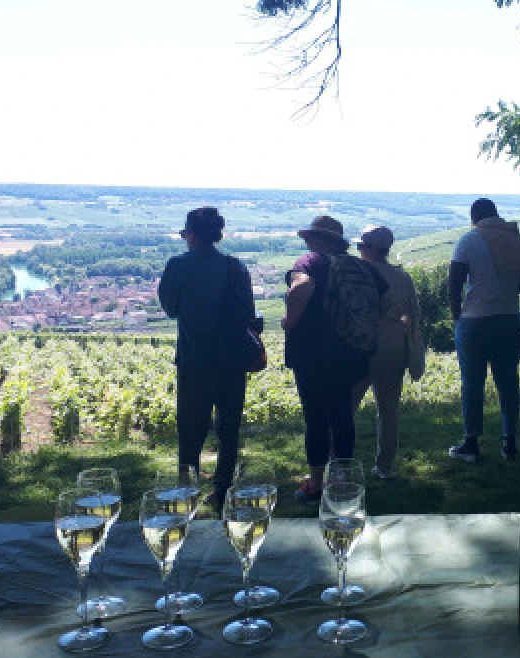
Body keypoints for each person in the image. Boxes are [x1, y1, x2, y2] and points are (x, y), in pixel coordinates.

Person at [158, 207, 259, 513]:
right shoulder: (236, 268)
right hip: (232, 360)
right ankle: (222, 490)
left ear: (193, 234)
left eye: (185, 233)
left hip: (195, 359)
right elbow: (249, 315)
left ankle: (187, 491)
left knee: (191, 429)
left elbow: (170, 308)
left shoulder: (178, 266)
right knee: (229, 428)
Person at [284, 216, 386, 502]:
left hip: (313, 354)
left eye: (310, 237)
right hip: (352, 353)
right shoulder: (361, 266)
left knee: (316, 418)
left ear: (318, 239)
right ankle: (342, 479)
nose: (306, 242)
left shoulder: (311, 261)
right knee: (342, 416)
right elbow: (383, 300)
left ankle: (316, 484)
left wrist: (290, 321)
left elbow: (301, 287)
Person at [447, 198, 520, 463]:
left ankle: (471, 443)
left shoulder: (468, 241)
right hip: (510, 318)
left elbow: (453, 286)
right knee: (508, 382)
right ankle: (509, 443)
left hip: (474, 320)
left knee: (473, 383)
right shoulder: (518, 240)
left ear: (475, 217)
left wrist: (458, 319)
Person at [350, 225, 427, 479]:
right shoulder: (401, 277)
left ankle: (339, 462)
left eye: (361, 246)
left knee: (348, 405)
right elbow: (412, 314)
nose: (359, 250)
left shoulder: (360, 273)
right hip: (395, 341)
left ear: (370, 249)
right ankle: (385, 466)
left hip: (365, 342)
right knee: (389, 408)